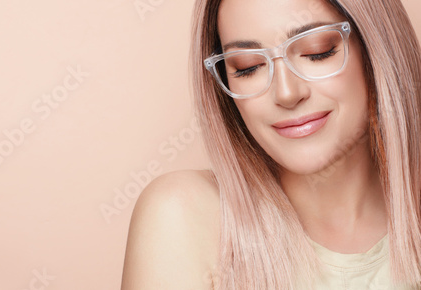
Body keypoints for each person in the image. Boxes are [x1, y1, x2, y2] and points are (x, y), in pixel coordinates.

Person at [121, 0, 421, 289]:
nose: (287, 93)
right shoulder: (184, 216)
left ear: (376, 50)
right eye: (248, 67)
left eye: (317, 52)